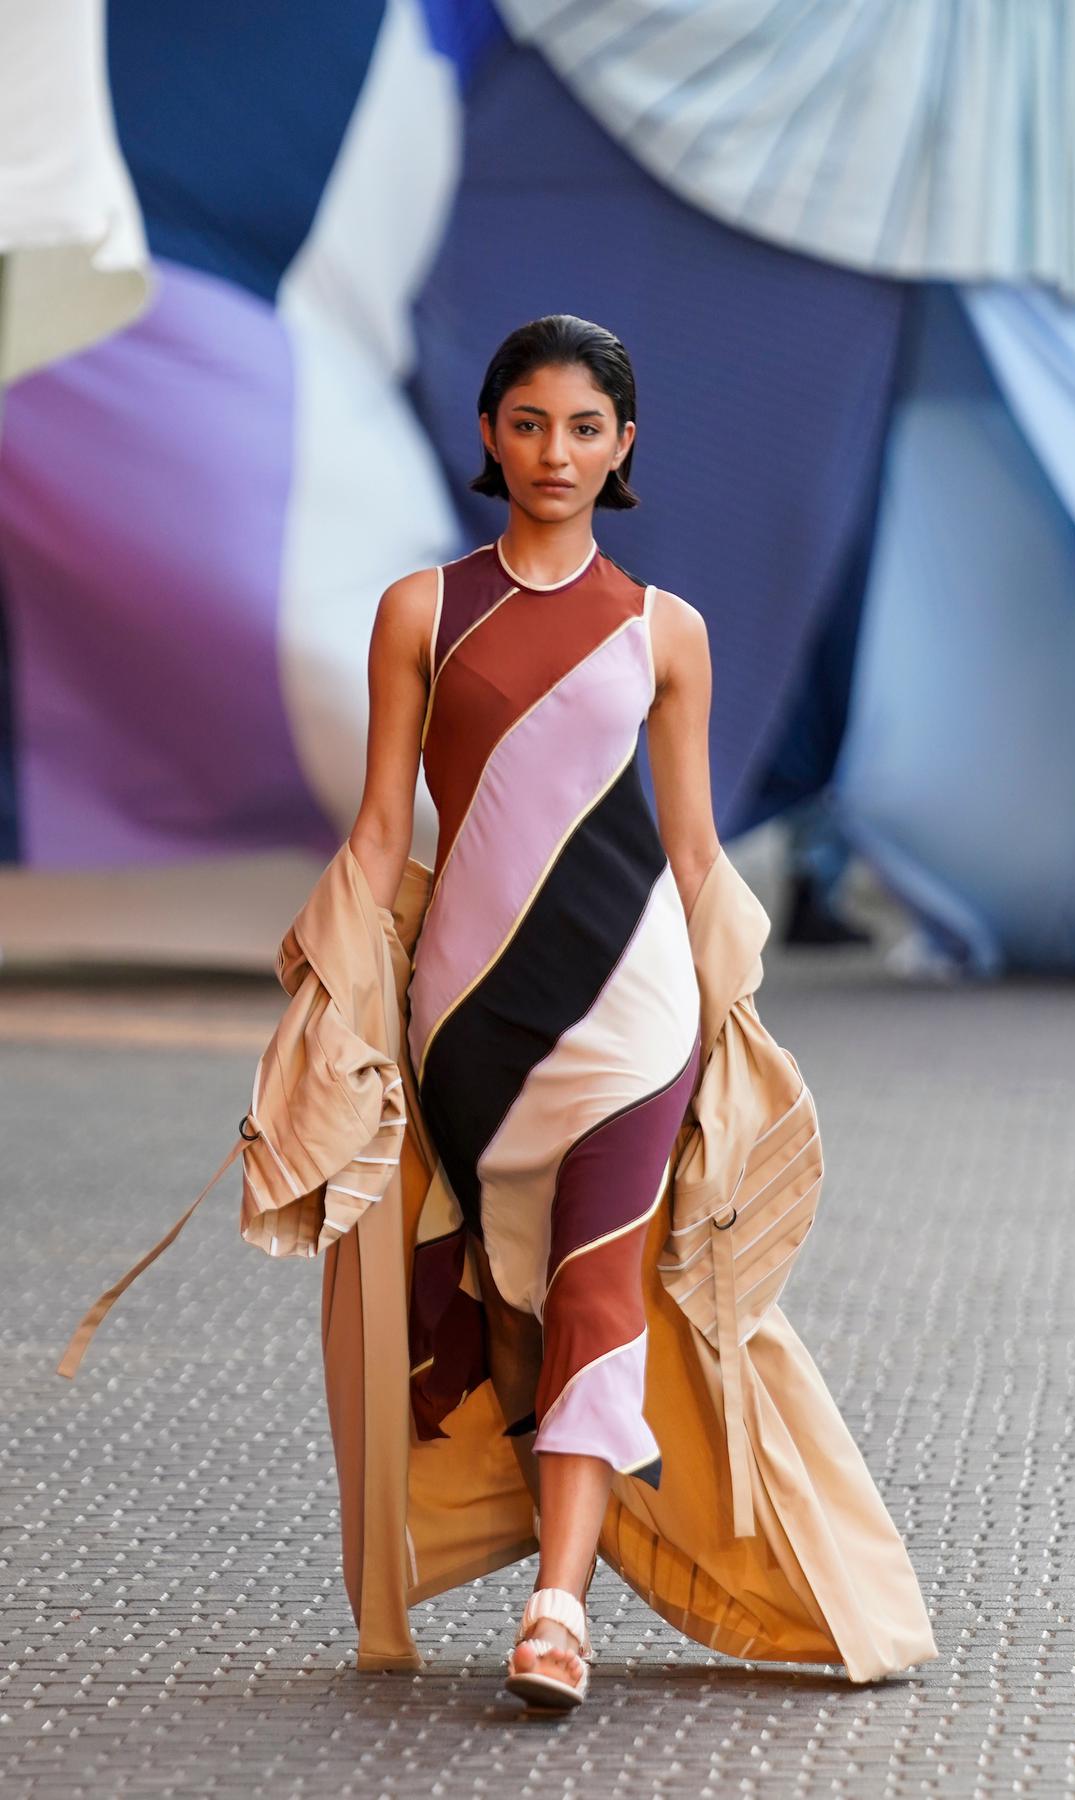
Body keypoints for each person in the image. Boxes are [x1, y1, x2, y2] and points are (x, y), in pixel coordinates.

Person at [346, 314, 721, 1710]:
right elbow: (387, 824)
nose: (554, 452)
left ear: (623, 446)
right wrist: (326, 973)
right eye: (527, 423)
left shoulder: (664, 630)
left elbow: (692, 847)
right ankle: (550, 1538)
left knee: (597, 1285)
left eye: (584, 428)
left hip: (636, 1010)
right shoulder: (418, 610)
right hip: (471, 1019)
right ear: (490, 434)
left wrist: (736, 1020)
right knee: (509, 1297)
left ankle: (554, 1612)